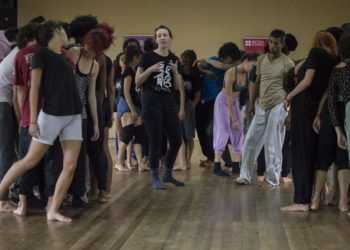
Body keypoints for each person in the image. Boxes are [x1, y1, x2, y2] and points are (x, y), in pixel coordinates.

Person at [0, 21, 83, 223]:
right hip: (51, 115)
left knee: (70, 165)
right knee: (30, 160)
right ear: (55, 32)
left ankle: (52, 209)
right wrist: (34, 122)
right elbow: (34, 90)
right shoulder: (40, 55)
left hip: (73, 115)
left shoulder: (63, 55)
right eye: (64, 31)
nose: (67, 34)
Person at [281, 31, 339, 212]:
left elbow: (307, 80)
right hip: (315, 111)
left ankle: (301, 201)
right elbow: (326, 91)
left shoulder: (315, 53)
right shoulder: (334, 60)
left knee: (301, 155)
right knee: (312, 153)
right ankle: (317, 196)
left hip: (303, 108)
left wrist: (289, 97)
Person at [235, 29, 294, 186]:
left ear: (282, 44)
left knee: (272, 142)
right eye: (271, 42)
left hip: (279, 104)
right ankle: (244, 176)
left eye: (277, 43)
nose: (273, 45)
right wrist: (252, 103)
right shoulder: (261, 60)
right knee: (250, 141)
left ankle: (273, 178)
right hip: (262, 104)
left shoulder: (287, 63)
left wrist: (289, 114)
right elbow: (257, 82)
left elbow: (290, 88)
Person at [136, 25, 185, 189]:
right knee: (155, 141)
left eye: (165, 35)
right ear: (156, 39)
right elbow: (137, 81)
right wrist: (150, 69)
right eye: (159, 35)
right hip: (151, 102)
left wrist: (176, 72)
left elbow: (178, 87)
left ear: (170, 38)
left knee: (177, 139)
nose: (162, 38)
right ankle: (155, 177)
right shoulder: (147, 56)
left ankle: (168, 174)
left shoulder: (174, 58)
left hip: (169, 102)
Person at [213, 53, 257, 176]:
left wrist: (249, 107)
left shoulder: (248, 74)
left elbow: (249, 90)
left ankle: (236, 165)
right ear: (246, 61)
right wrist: (234, 119)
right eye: (253, 65)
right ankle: (216, 165)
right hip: (223, 102)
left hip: (236, 102)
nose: (253, 68)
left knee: (238, 132)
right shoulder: (231, 72)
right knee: (223, 130)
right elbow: (228, 97)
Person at [115, 46, 149, 172]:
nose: (140, 59)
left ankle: (141, 164)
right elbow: (126, 92)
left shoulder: (135, 72)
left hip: (135, 106)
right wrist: (132, 110)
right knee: (127, 134)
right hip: (127, 105)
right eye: (139, 57)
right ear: (135, 57)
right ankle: (119, 162)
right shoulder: (128, 71)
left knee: (139, 135)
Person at [174, 49, 201, 170]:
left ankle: (188, 160)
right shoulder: (178, 72)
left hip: (188, 105)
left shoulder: (195, 75)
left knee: (189, 135)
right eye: (182, 57)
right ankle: (181, 160)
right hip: (176, 105)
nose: (183, 59)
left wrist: (189, 108)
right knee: (178, 134)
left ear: (192, 59)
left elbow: (198, 95)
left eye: (186, 57)